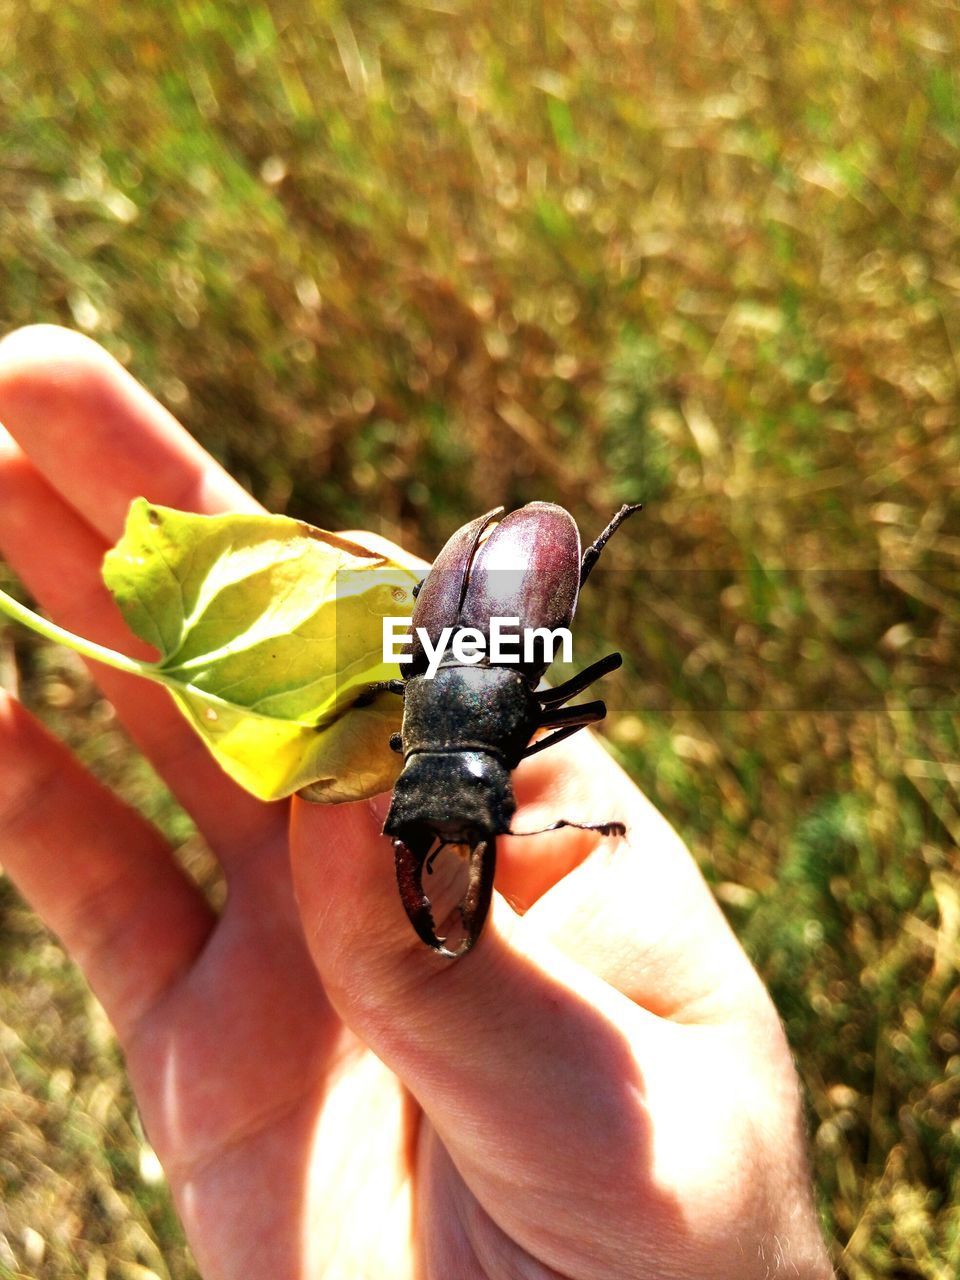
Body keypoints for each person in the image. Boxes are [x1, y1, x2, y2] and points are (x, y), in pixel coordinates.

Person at [0, 324, 834, 1279]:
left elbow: (514, 711)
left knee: (566, 690)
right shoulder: (450, 702)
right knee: (573, 689)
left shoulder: (442, 697)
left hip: (483, 608)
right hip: (483, 613)